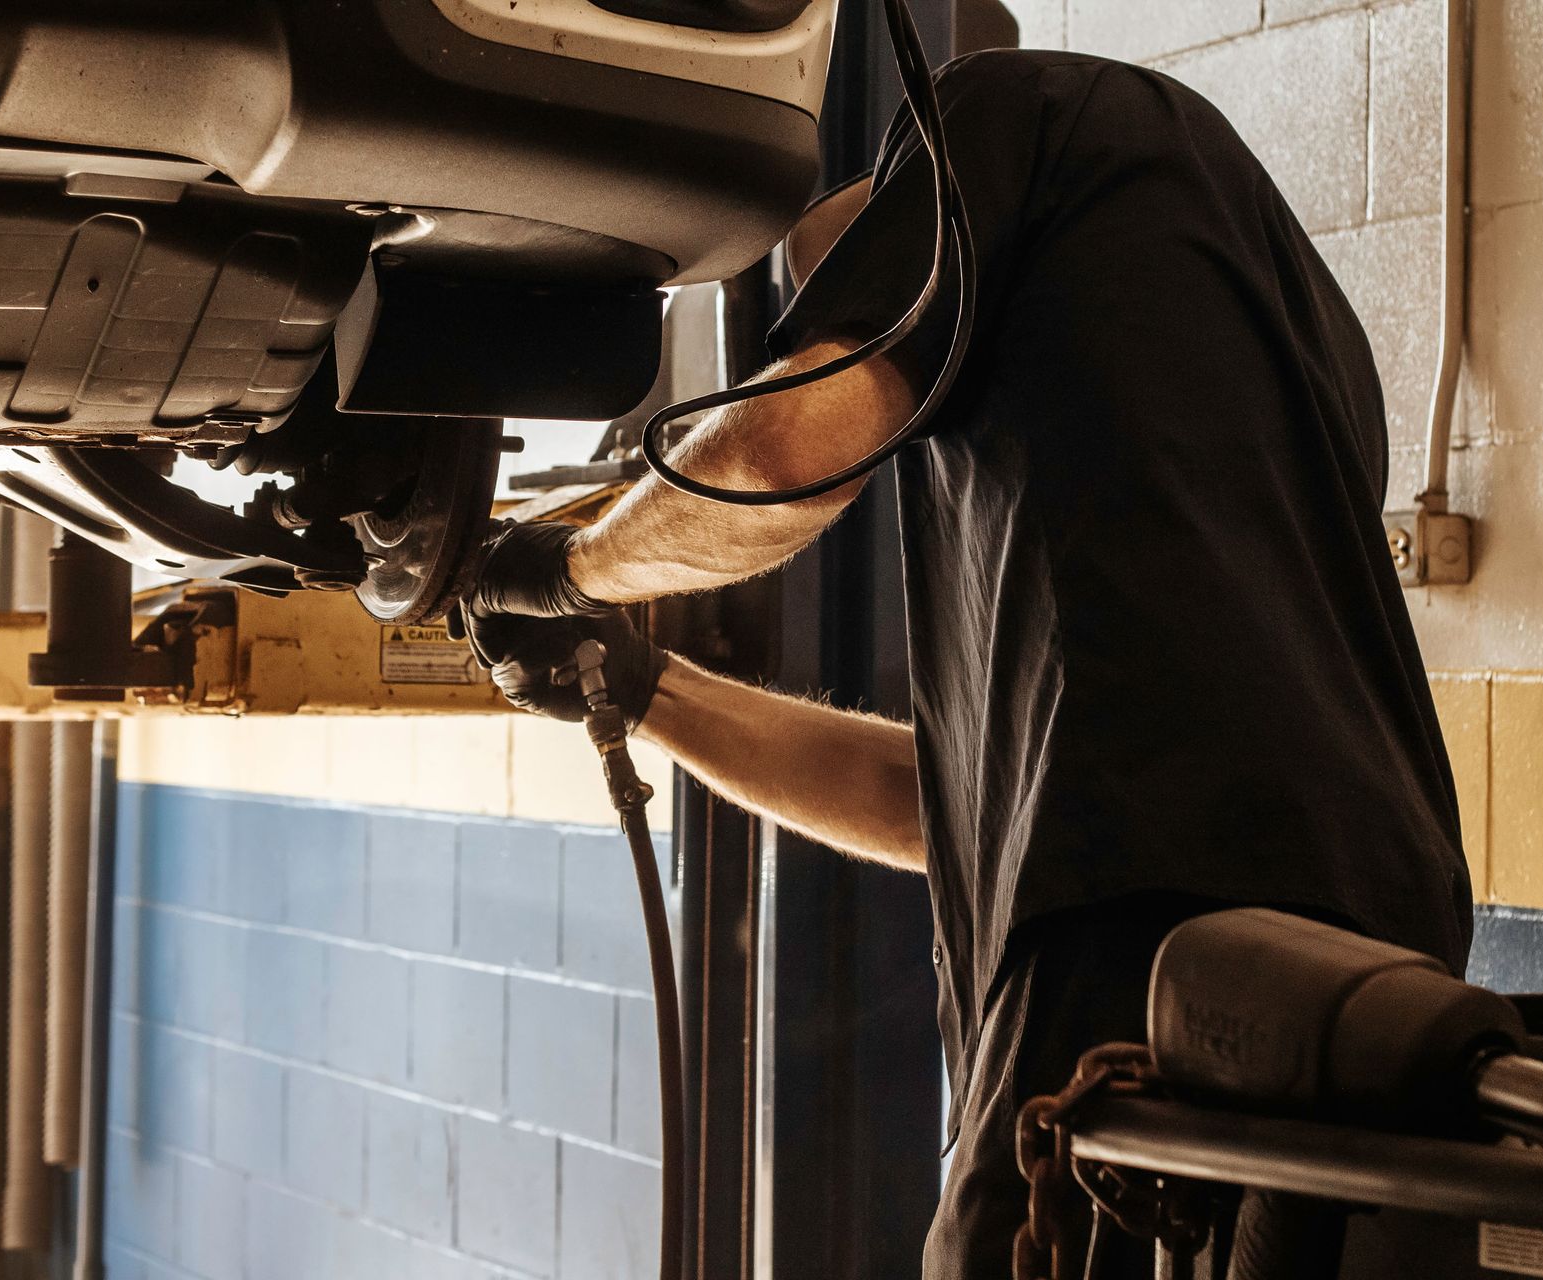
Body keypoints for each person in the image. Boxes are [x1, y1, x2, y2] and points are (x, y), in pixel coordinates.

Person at [460, 48, 1472, 1278]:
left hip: (1157, 987)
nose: (797, 307)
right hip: (1378, 1010)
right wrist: (647, 689)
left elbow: (782, 450)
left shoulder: (1006, 121)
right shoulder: (1239, 337)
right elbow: (945, 806)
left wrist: (574, 564)